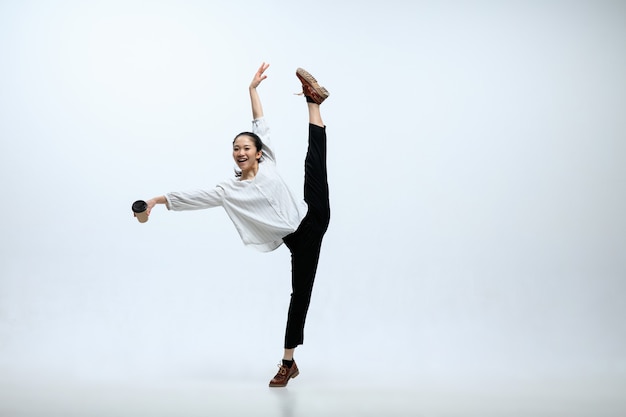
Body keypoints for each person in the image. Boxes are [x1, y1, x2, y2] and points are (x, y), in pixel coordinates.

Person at [141, 63, 330, 387]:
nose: (241, 151)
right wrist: (157, 201)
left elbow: (260, 123)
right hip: (299, 240)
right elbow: (194, 197)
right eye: (236, 148)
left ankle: (313, 101)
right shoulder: (229, 191)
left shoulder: (267, 161)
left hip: (313, 214)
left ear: (258, 153)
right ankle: (290, 363)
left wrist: (252, 91)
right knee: (300, 296)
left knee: (314, 160)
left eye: (247, 147)